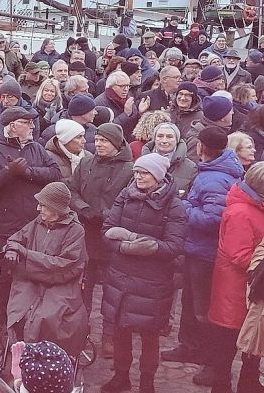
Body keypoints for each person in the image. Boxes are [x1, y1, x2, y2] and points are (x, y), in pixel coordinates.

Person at [161, 126, 243, 387]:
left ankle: (209, 360)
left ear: (202, 148)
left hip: (205, 253)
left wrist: (184, 206)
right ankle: (189, 345)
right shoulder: (214, 172)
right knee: (191, 303)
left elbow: (213, 218)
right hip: (196, 249)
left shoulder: (214, 178)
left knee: (203, 309)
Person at [101, 153, 186, 393]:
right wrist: (125, 245)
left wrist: (146, 246)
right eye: (137, 172)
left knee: (150, 337)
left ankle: (147, 382)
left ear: (157, 176)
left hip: (152, 281)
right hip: (121, 275)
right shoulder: (125, 195)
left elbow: (174, 245)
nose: (138, 177)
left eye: (144, 173)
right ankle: (121, 376)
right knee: (120, 331)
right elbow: (107, 230)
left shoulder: (173, 205)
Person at [0, 106, 63, 339]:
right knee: (7, 276)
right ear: (13, 126)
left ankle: (32, 319)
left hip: (36, 223)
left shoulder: (36, 148)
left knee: (35, 274)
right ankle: (2, 321)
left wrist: (28, 172)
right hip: (6, 225)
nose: (33, 127)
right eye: (27, 123)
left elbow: (55, 174)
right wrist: (8, 172)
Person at [69, 122, 134, 354]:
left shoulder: (129, 170)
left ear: (116, 144)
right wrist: (84, 209)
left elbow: (129, 201)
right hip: (86, 235)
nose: (99, 145)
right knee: (82, 288)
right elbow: (72, 190)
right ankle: (81, 332)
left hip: (111, 239)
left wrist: (106, 216)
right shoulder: (86, 163)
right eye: (96, 140)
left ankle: (110, 336)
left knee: (112, 292)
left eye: (104, 141)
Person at [3, 182, 88, 356]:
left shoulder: (75, 230)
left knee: (47, 317)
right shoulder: (38, 222)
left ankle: (45, 357)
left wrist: (27, 254)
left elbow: (65, 264)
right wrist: (12, 249)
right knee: (19, 311)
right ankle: (22, 352)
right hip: (32, 278)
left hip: (62, 282)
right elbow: (16, 239)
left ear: (56, 208)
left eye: (43, 205)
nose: (38, 208)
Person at [224, 165, 264, 392]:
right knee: (237, 342)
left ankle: (249, 383)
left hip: (253, 287)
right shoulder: (241, 212)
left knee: (254, 341)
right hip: (239, 289)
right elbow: (239, 256)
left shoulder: (256, 206)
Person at [140, 122, 198, 194]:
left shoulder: (190, 168)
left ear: (177, 140)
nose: (164, 141)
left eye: (169, 137)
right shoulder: (141, 164)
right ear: (154, 139)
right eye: (160, 136)